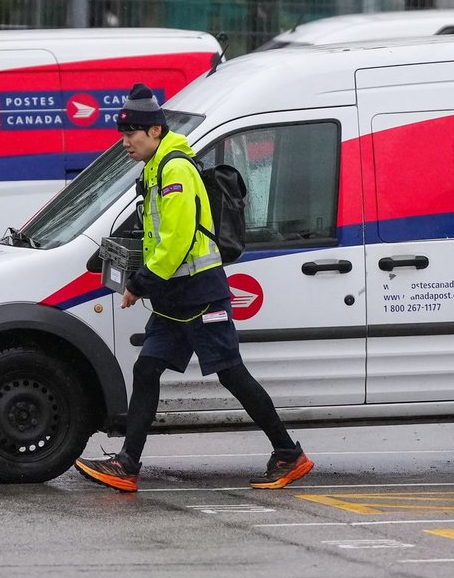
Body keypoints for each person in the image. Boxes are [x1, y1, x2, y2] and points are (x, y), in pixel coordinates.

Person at [75, 83, 313, 493]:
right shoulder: (154, 170)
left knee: (231, 374)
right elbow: (155, 233)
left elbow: (178, 240)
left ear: (155, 132)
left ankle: (288, 454)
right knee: (147, 368)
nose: (126, 140)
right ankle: (127, 465)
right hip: (173, 299)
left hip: (200, 295)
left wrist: (140, 282)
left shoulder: (176, 170)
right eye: (123, 132)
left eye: (133, 131)